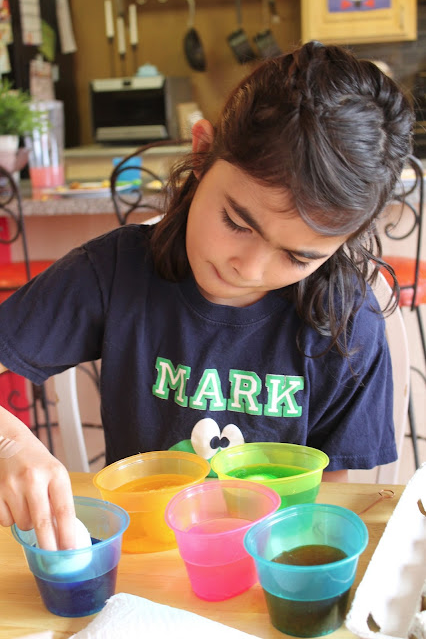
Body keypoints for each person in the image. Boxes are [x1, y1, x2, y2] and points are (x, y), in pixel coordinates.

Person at [0, 41, 414, 551]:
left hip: (263, 564)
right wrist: (8, 443)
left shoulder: (347, 324)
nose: (249, 268)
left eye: (297, 257)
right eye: (237, 223)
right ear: (202, 154)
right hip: (144, 556)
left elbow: (323, 505)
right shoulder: (114, 272)